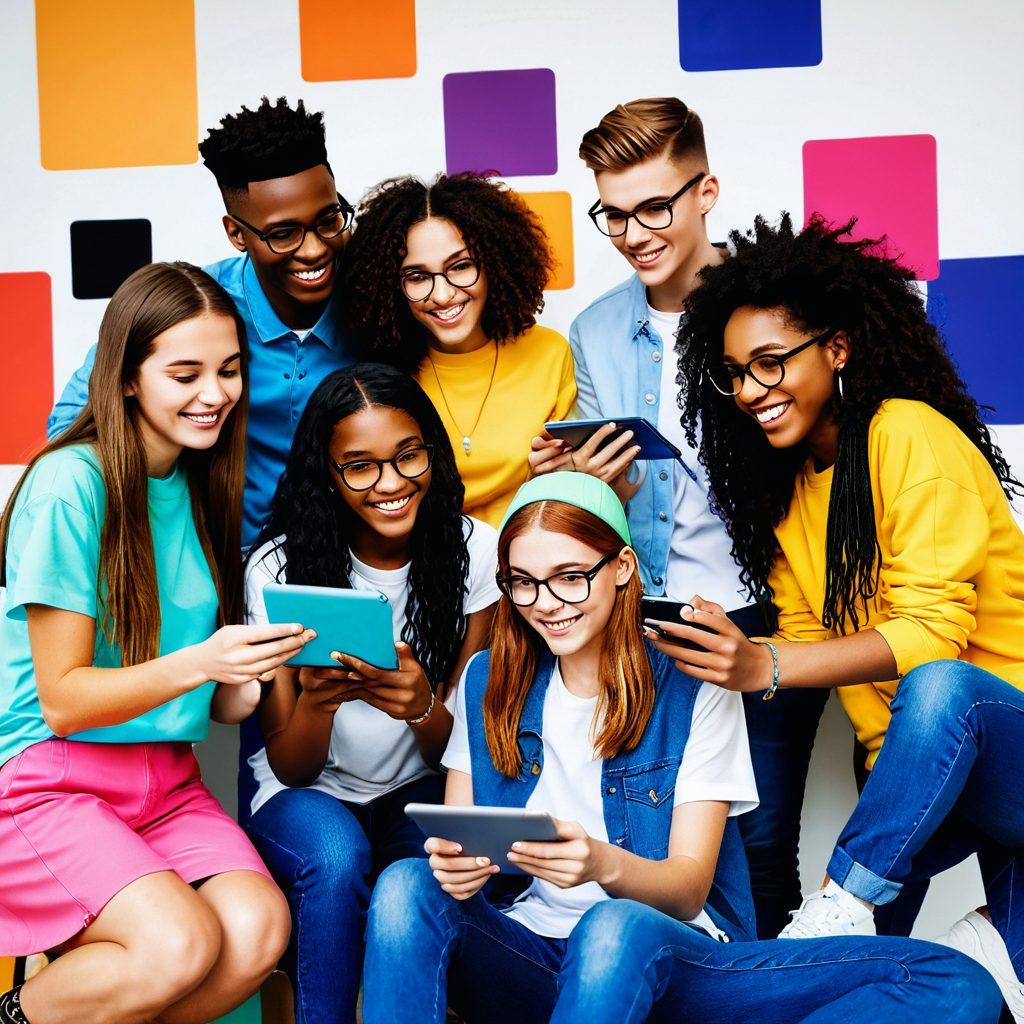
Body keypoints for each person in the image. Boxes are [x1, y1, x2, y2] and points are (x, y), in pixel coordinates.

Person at [360, 473, 999, 1024]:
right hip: (527, 958)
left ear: (621, 569)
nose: (545, 604)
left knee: (955, 982)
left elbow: (688, 890)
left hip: (675, 964)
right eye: (522, 583)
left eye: (570, 578)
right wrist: (456, 867)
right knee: (406, 883)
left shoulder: (692, 684)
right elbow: (459, 839)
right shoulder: (485, 678)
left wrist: (597, 865)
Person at [654, 212, 1024, 1016]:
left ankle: (846, 900)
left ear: (838, 349)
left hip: (1001, 744)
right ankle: (946, 951)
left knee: (942, 690)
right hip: (913, 781)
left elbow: (932, 636)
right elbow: (804, 642)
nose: (751, 390)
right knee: (854, 989)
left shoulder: (907, 436)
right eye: (734, 373)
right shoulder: (789, 494)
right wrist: (719, 649)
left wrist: (768, 665)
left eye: (771, 362)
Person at [530, 95, 828, 937]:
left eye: (655, 206)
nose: (635, 233)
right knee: (658, 839)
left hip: (766, 612)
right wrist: (581, 484)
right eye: (613, 215)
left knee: (762, 839)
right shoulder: (594, 329)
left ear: (707, 191)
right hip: (645, 617)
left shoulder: (774, 311)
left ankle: (766, 992)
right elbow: (608, 510)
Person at [0, 263, 315, 1024]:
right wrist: (202, 661)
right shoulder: (69, 484)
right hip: (51, 780)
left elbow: (213, 702)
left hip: (165, 782)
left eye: (230, 369)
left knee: (256, 929)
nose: (215, 393)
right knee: (176, 945)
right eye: (186, 372)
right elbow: (66, 699)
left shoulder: (203, 484)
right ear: (129, 378)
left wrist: (249, 672)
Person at [242, 364, 500, 1024]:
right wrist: (319, 702)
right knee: (335, 856)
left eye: (408, 456)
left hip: (420, 787)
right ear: (327, 474)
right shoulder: (278, 568)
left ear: (432, 453)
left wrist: (418, 705)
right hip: (307, 791)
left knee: (414, 883)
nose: (390, 484)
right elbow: (291, 765)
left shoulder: (475, 552)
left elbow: (464, 755)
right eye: (359, 467)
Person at [48, 96, 357, 547]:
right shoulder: (198, 309)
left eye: (328, 220)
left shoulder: (376, 306)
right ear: (236, 233)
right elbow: (73, 428)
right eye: (283, 233)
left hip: (339, 569)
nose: (313, 249)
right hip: (206, 569)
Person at [343, 173, 576, 527]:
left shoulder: (549, 353)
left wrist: (568, 475)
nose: (442, 294)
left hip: (531, 568)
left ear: (495, 265)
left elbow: (575, 485)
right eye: (418, 277)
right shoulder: (383, 377)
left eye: (461, 267)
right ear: (392, 286)